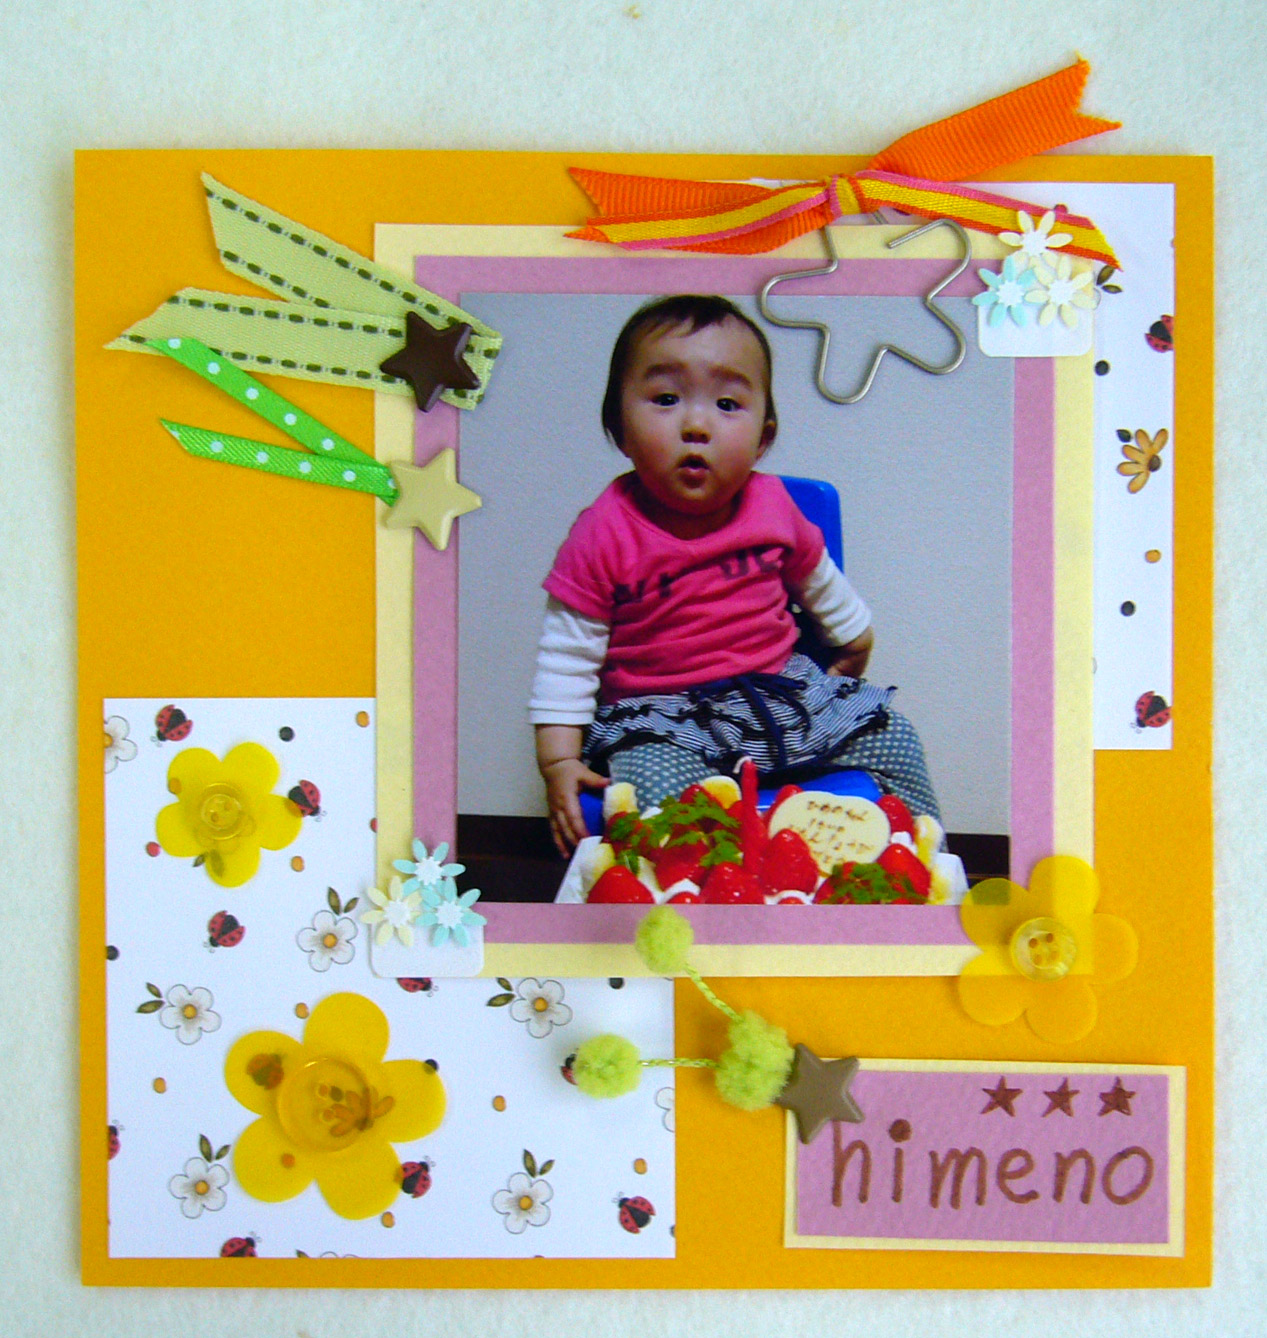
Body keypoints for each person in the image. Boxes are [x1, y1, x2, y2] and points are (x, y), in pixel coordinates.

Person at [529, 294, 938, 856]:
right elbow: (566, 659)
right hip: (666, 720)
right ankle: (701, 896)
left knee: (897, 740)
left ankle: (911, 870)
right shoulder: (602, 532)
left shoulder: (772, 506)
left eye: (727, 404)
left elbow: (819, 578)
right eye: (666, 399)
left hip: (782, 697)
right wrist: (558, 760)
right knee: (653, 799)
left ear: (762, 439)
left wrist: (854, 638)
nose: (696, 424)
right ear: (620, 429)